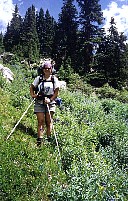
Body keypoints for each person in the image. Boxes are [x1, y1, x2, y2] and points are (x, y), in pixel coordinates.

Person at [30, 62, 60, 146]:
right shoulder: (38, 78)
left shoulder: (54, 79)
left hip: (50, 103)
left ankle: (48, 139)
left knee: (48, 121)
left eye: (49, 68)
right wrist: (33, 95)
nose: (47, 69)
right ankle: (39, 140)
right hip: (39, 102)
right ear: (43, 69)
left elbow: (56, 93)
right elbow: (32, 87)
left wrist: (50, 100)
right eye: (45, 68)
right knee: (40, 121)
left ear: (51, 69)